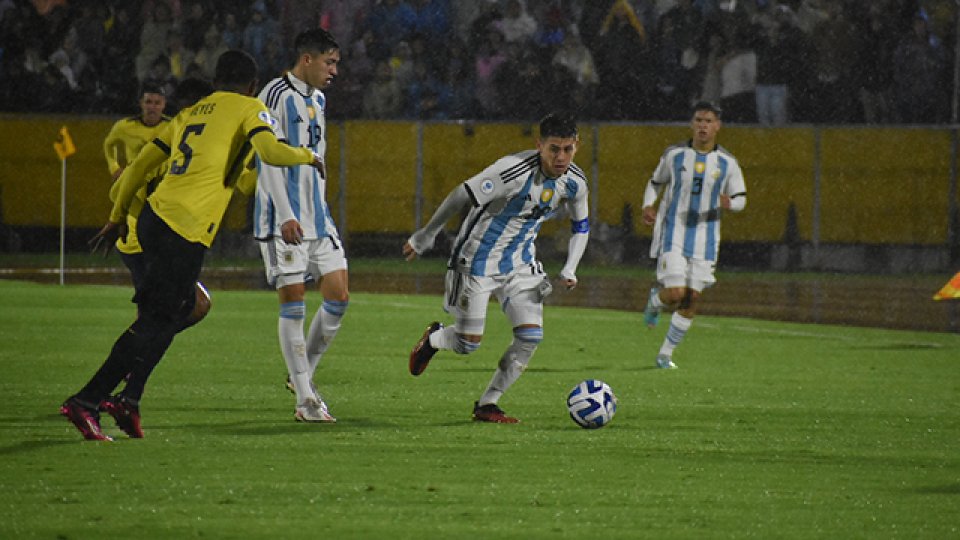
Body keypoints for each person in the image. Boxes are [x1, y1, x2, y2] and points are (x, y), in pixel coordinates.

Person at [61, 50, 324, 441]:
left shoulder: (190, 114)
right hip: (184, 228)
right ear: (252, 85)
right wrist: (307, 155)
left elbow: (138, 169)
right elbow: (270, 152)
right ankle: (87, 401)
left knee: (181, 308)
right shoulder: (251, 109)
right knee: (156, 320)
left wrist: (116, 218)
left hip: (154, 219)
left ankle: (128, 400)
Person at [402, 111, 590, 424]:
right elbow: (462, 193)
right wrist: (427, 233)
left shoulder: (575, 182)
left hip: (520, 263)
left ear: (577, 146)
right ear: (539, 145)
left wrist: (570, 267)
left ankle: (488, 403)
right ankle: (434, 339)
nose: (561, 157)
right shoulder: (512, 170)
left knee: (530, 336)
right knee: (467, 344)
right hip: (475, 260)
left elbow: (581, 226)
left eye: (568, 149)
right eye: (553, 149)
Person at [96, 80, 217, 430]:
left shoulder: (174, 129)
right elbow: (122, 169)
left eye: (157, 101)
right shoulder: (146, 130)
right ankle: (118, 390)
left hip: (162, 234)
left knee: (180, 310)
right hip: (144, 239)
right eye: (147, 101)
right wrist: (121, 211)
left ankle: (124, 385)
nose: (151, 106)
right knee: (178, 310)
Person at [253, 28, 346, 424]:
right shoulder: (273, 95)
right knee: (293, 304)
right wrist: (287, 213)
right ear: (306, 59)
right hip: (284, 219)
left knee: (338, 297)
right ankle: (306, 399)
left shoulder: (319, 98)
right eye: (330, 62)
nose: (334, 70)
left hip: (318, 218)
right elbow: (267, 157)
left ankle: (300, 375)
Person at [640, 101, 747, 369]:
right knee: (676, 294)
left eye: (708, 121)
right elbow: (655, 182)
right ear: (692, 124)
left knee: (692, 299)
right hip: (672, 231)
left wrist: (730, 204)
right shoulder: (675, 155)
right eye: (699, 120)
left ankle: (665, 354)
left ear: (717, 126)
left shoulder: (727, 163)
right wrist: (648, 205)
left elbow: (741, 198)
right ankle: (655, 301)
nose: (703, 126)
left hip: (706, 239)